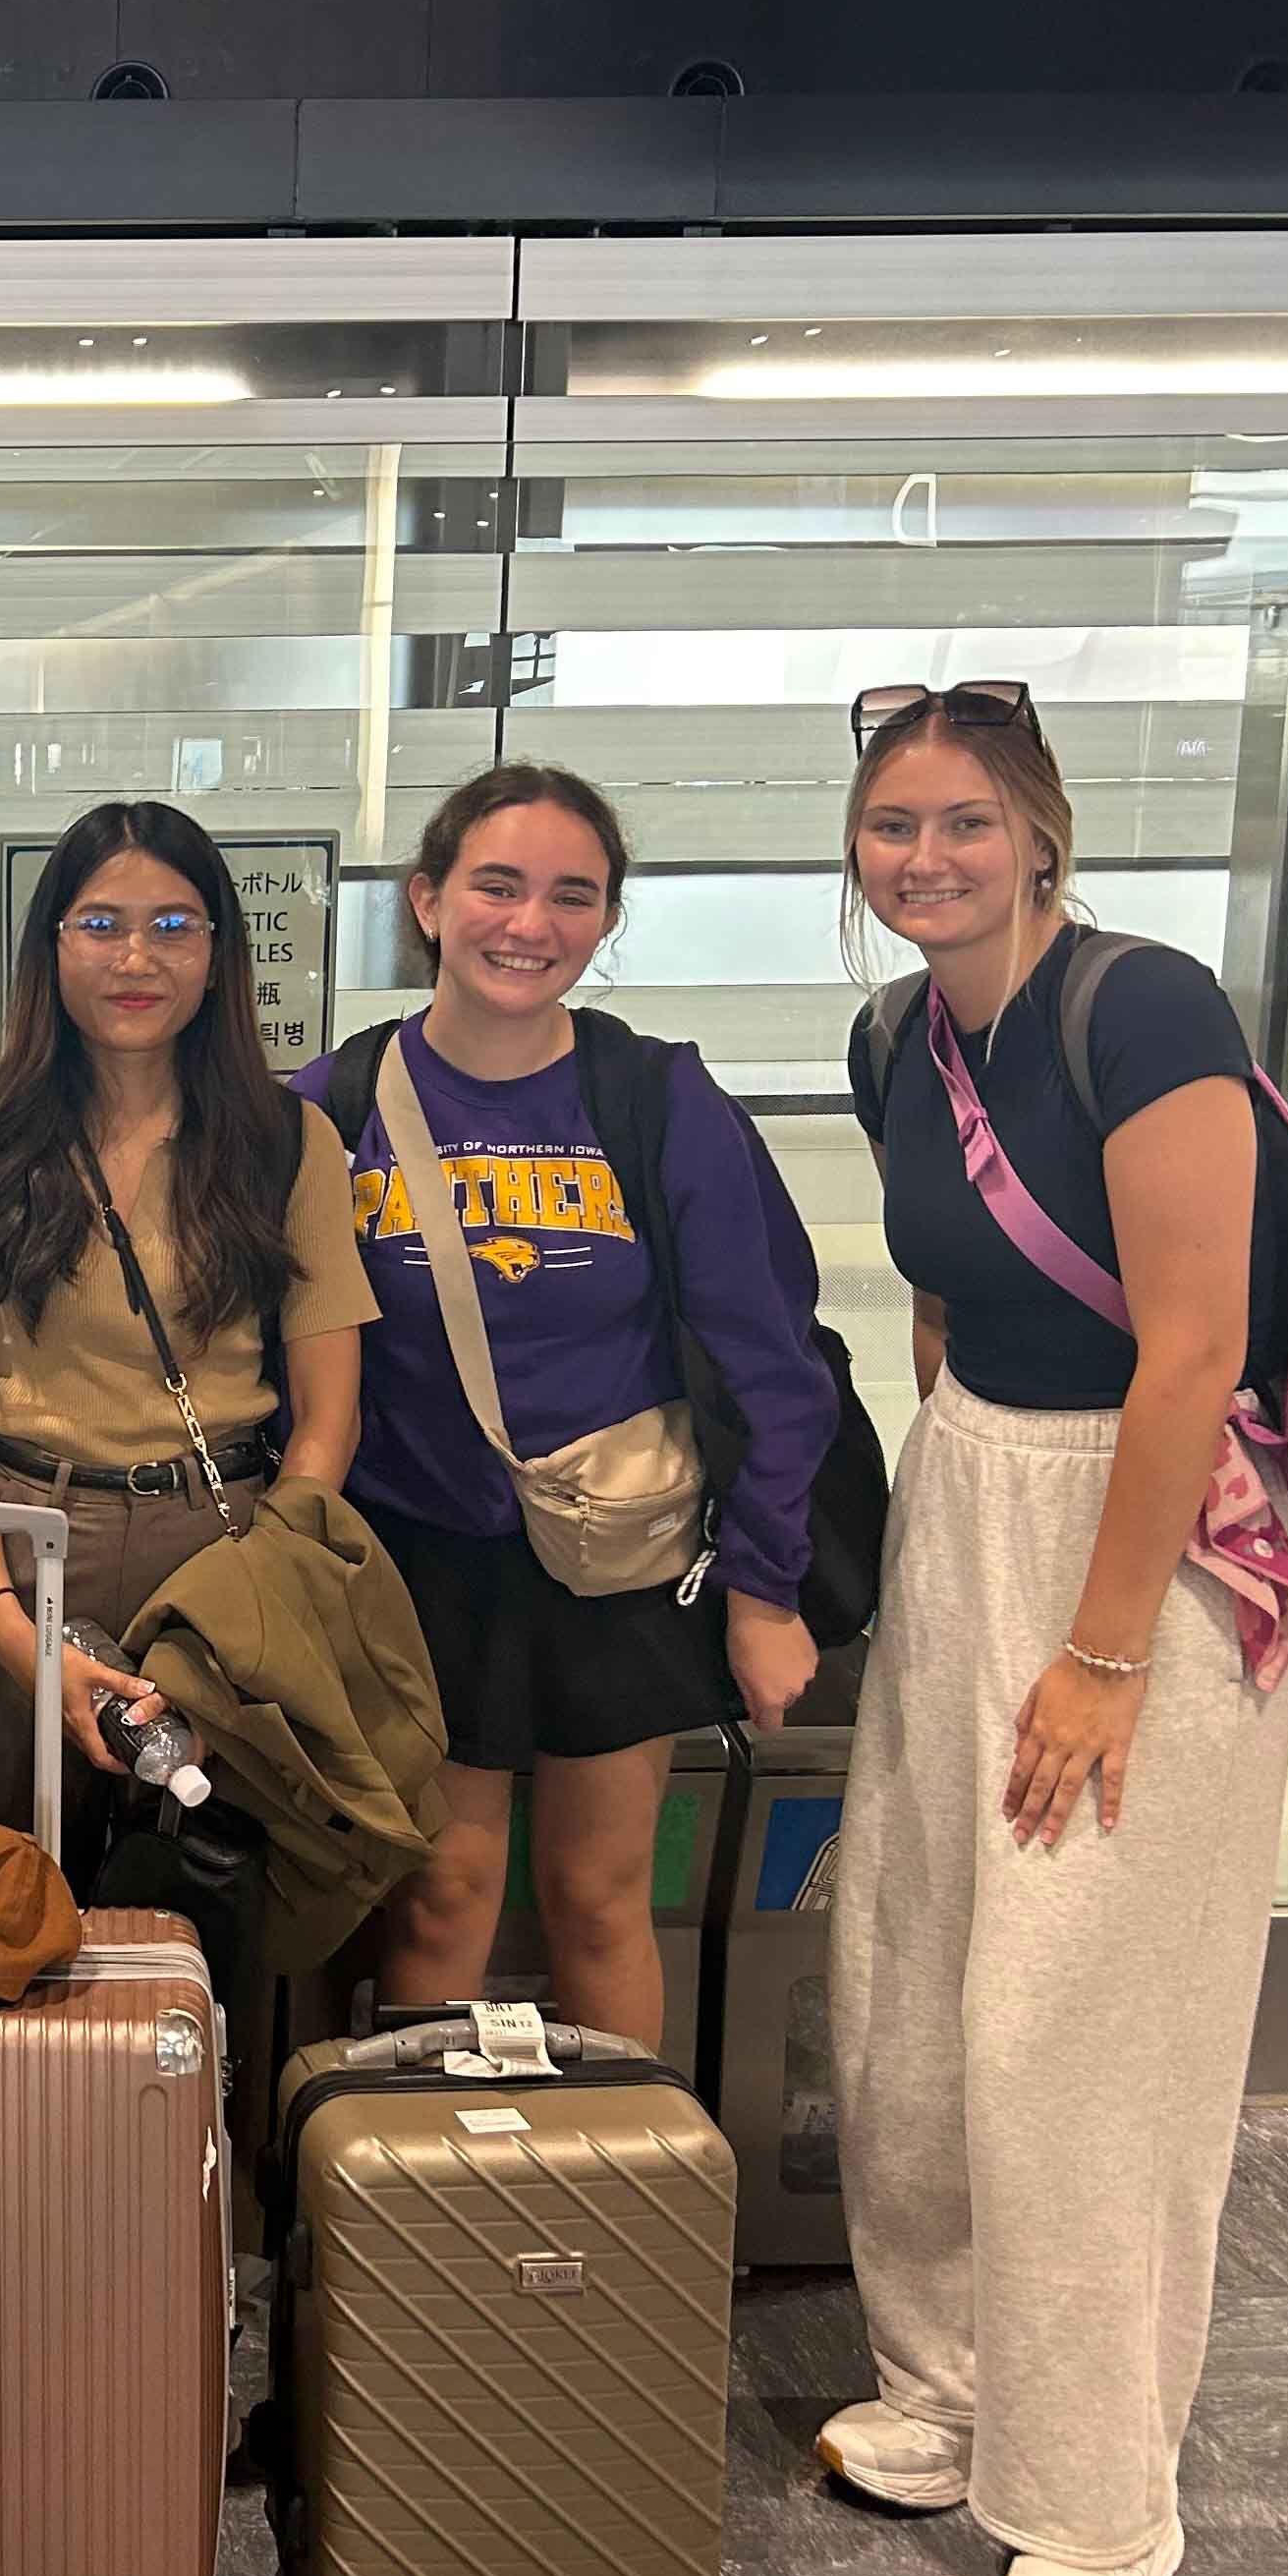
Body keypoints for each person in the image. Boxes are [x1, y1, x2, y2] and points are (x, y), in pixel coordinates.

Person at [817, 681, 1288, 2576]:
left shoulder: (1148, 1004)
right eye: (889, 826)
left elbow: (1185, 1343)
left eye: (960, 820)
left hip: (1148, 1527)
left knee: (1082, 2013)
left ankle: (1101, 2487)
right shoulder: (888, 1036)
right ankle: (944, 2379)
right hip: (974, 1496)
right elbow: (947, 1277)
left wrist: (1100, 1650)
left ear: (1038, 827)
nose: (923, 857)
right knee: (911, 1970)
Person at [297, 766, 835, 2051]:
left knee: (598, 1898)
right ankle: (410, 2213)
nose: (525, 922)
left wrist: (764, 1592)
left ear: (601, 921)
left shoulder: (656, 1101)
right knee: (438, 1892)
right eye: (494, 884)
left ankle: (629, 2211)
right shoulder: (330, 1103)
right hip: (414, 1563)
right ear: (427, 899)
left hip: (615, 1558)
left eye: (568, 895)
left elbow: (769, 1359)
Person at [0, 800, 376, 1896]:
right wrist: (6, 1625)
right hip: (15, 1542)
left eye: (173, 924)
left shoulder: (286, 1141)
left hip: (223, 1551)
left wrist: (257, 1606)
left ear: (218, 954)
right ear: (47, 946)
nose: (135, 956)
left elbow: (327, 1410)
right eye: (99, 923)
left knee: (208, 1900)